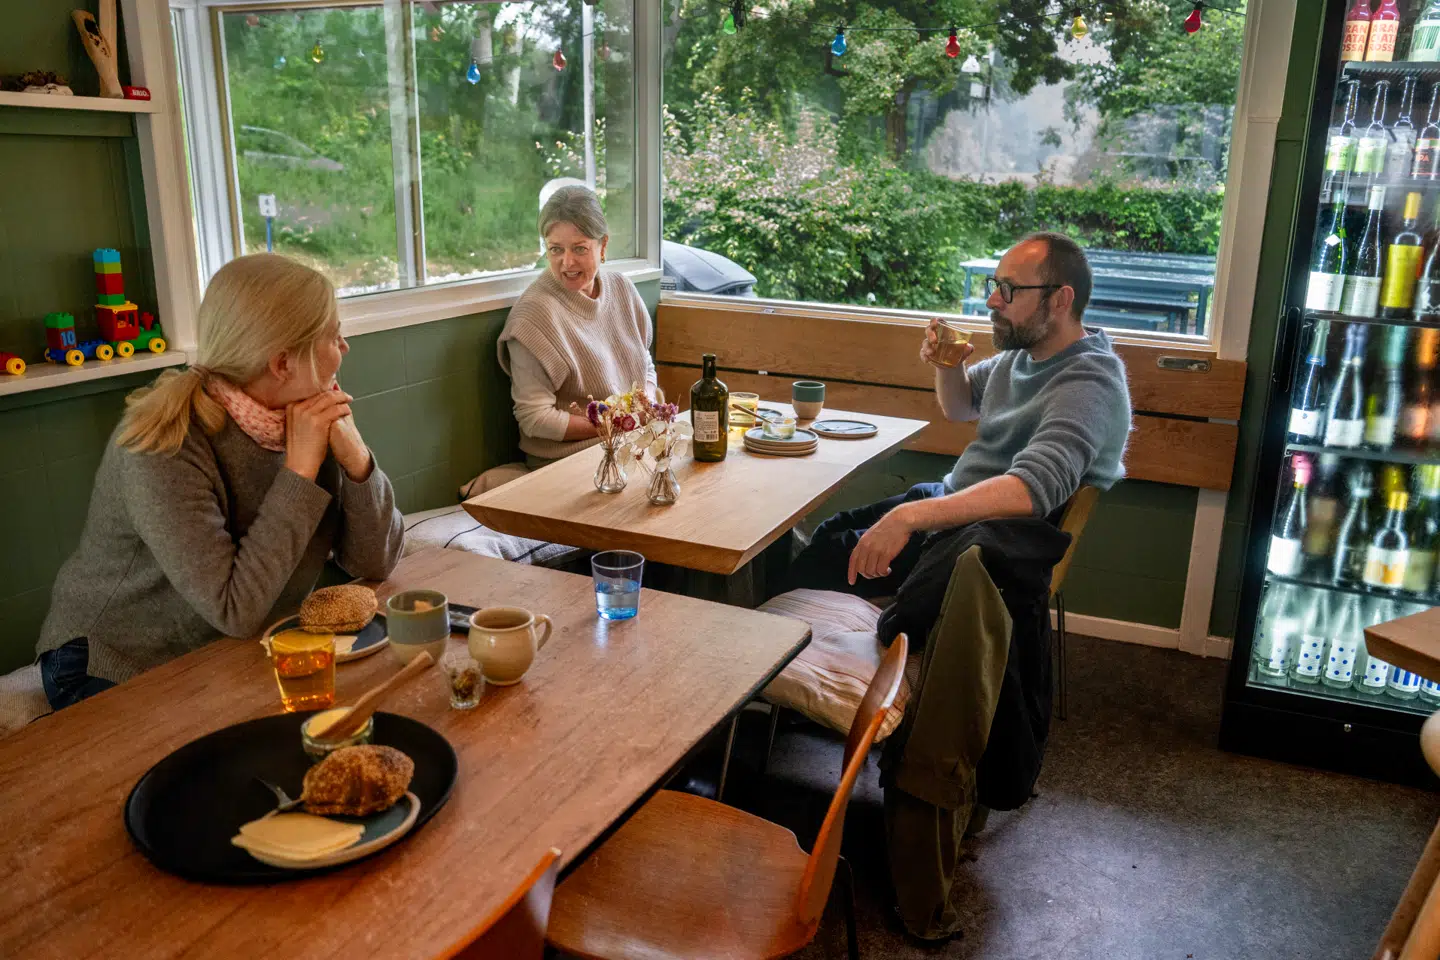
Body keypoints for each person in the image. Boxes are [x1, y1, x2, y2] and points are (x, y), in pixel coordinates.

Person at [34, 254, 405, 709]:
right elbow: (236, 609)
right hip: (114, 663)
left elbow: (377, 561)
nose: (344, 348)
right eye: (333, 335)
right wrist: (301, 471)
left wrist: (358, 462)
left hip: (230, 643)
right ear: (283, 363)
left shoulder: (303, 412)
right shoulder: (160, 445)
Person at [791, 231, 1132, 597]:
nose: (992, 301)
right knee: (830, 530)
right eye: (994, 285)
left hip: (975, 542)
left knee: (811, 566)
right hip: (951, 501)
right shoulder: (1025, 354)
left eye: (1009, 289)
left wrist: (908, 518)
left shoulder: (1089, 383)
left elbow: (1030, 492)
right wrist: (947, 364)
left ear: (1061, 299)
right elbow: (960, 407)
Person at [497, 185, 657, 468]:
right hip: (567, 460)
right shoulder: (532, 317)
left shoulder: (622, 289)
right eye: (555, 249)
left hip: (629, 441)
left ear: (603, 246)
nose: (566, 262)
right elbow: (535, 419)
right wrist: (618, 422)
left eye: (579, 248)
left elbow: (644, 364)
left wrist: (646, 403)